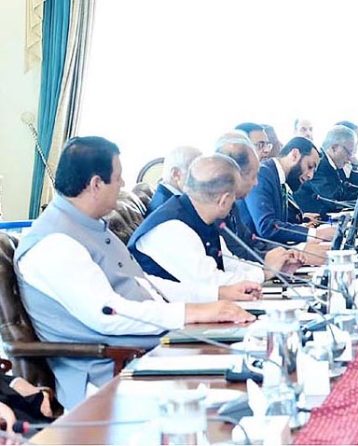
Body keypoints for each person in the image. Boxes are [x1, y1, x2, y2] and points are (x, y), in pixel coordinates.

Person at [13, 137, 252, 408]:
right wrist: (191, 313)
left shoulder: (90, 226)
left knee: (243, 366)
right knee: (232, 394)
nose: (123, 184)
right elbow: (108, 314)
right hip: (112, 370)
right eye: (118, 178)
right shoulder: (54, 244)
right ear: (96, 184)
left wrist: (214, 296)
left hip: (151, 347)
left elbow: (142, 283)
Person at [128, 155, 273, 303]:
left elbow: (229, 264)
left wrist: (268, 269)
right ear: (224, 200)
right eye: (233, 197)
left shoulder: (200, 217)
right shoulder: (173, 228)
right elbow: (213, 284)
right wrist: (264, 273)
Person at [243, 137, 335, 246]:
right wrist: (316, 234)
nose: (311, 176)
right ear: (294, 155)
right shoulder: (262, 173)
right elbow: (267, 227)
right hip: (258, 252)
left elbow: (278, 220)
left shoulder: (277, 177)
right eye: (310, 166)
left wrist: (303, 221)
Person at [296, 126, 358, 215]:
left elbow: (344, 192)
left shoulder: (333, 164)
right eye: (349, 152)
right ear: (334, 148)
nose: (350, 158)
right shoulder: (319, 163)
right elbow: (334, 201)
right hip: (310, 219)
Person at [148, 145, 200, 212]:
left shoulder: (166, 198)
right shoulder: (167, 209)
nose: (204, 178)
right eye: (197, 171)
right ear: (176, 174)